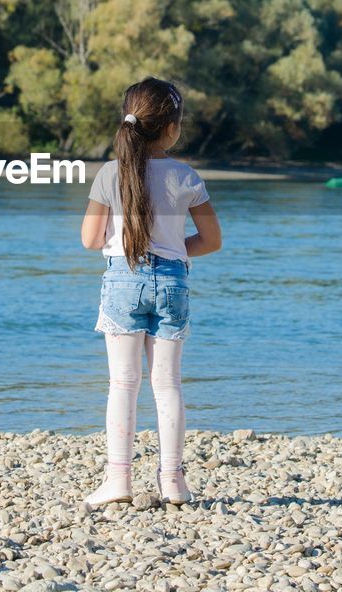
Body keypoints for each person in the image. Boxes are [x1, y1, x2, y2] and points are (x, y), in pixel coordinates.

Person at [79, 77, 223, 509]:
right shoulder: (186, 176)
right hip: (174, 283)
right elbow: (212, 239)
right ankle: (173, 482)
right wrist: (175, 252)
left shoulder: (110, 174)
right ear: (172, 128)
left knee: (123, 384)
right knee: (167, 384)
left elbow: (89, 239)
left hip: (122, 281)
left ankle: (117, 480)